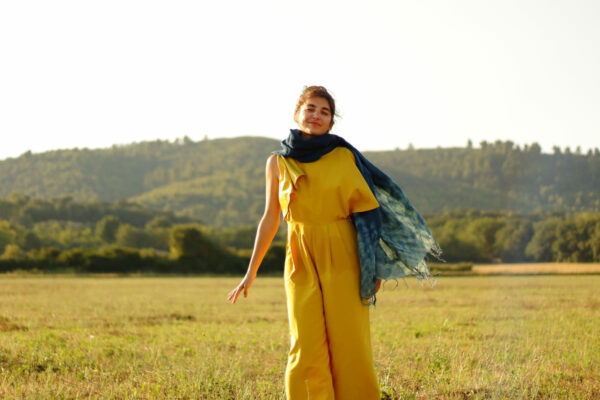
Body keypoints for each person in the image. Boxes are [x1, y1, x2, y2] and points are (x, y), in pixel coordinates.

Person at [228, 86, 438, 400]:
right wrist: (251, 271)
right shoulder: (276, 162)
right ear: (297, 113)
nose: (316, 116)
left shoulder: (343, 156)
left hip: (344, 253)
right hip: (299, 255)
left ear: (330, 122)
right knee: (305, 340)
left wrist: (374, 267)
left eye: (324, 112)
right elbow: (270, 217)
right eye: (311, 108)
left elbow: (368, 216)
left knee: (349, 341)